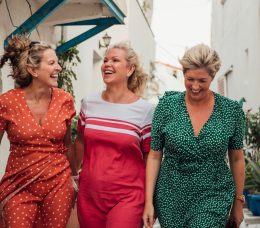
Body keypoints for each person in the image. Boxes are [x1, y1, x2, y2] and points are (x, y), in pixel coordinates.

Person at [143, 44, 245, 228]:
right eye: (190, 79)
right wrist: (148, 201)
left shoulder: (231, 111)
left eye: (202, 81)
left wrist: (238, 202)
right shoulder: (166, 107)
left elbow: (237, 158)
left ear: (212, 77)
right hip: (171, 194)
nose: (195, 86)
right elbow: (155, 155)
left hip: (213, 192)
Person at [0, 35, 77, 227]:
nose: (58, 68)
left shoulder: (64, 99)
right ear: (33, 70)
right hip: (18, 184)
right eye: (51, 63)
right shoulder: (7, 102)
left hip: (58, 184)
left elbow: (66, 145)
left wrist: (74, 178)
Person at [76, 43, 154, 228]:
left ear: (129, 69)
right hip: (90, 196)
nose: (107, 64)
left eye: (115, 60)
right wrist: (71, 176)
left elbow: (150, 157)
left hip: (128, 198)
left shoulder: (145, 110)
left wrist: (150, 201)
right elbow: (79, 142)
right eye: (105, 60)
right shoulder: (89, 103)